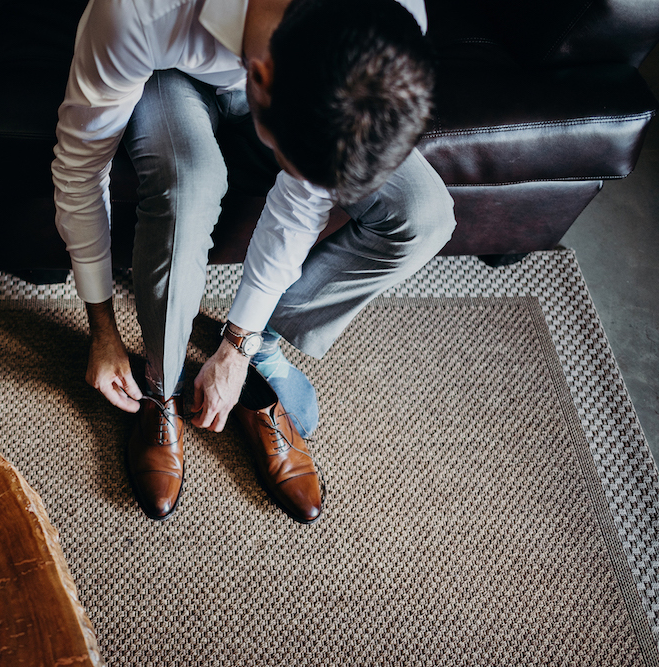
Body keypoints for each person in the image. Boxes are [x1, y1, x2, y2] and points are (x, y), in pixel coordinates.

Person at [51, 0, 456, 523]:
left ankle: (258, 347)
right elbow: (81, 167)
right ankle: (161, 383)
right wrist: (101, 328)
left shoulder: (394, 22)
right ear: (258, 77)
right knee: (190, 185)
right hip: (167, 70)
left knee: (422, 212)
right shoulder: (136, 11)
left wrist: (240, 343)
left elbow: (304, 196)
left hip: (289, 77)